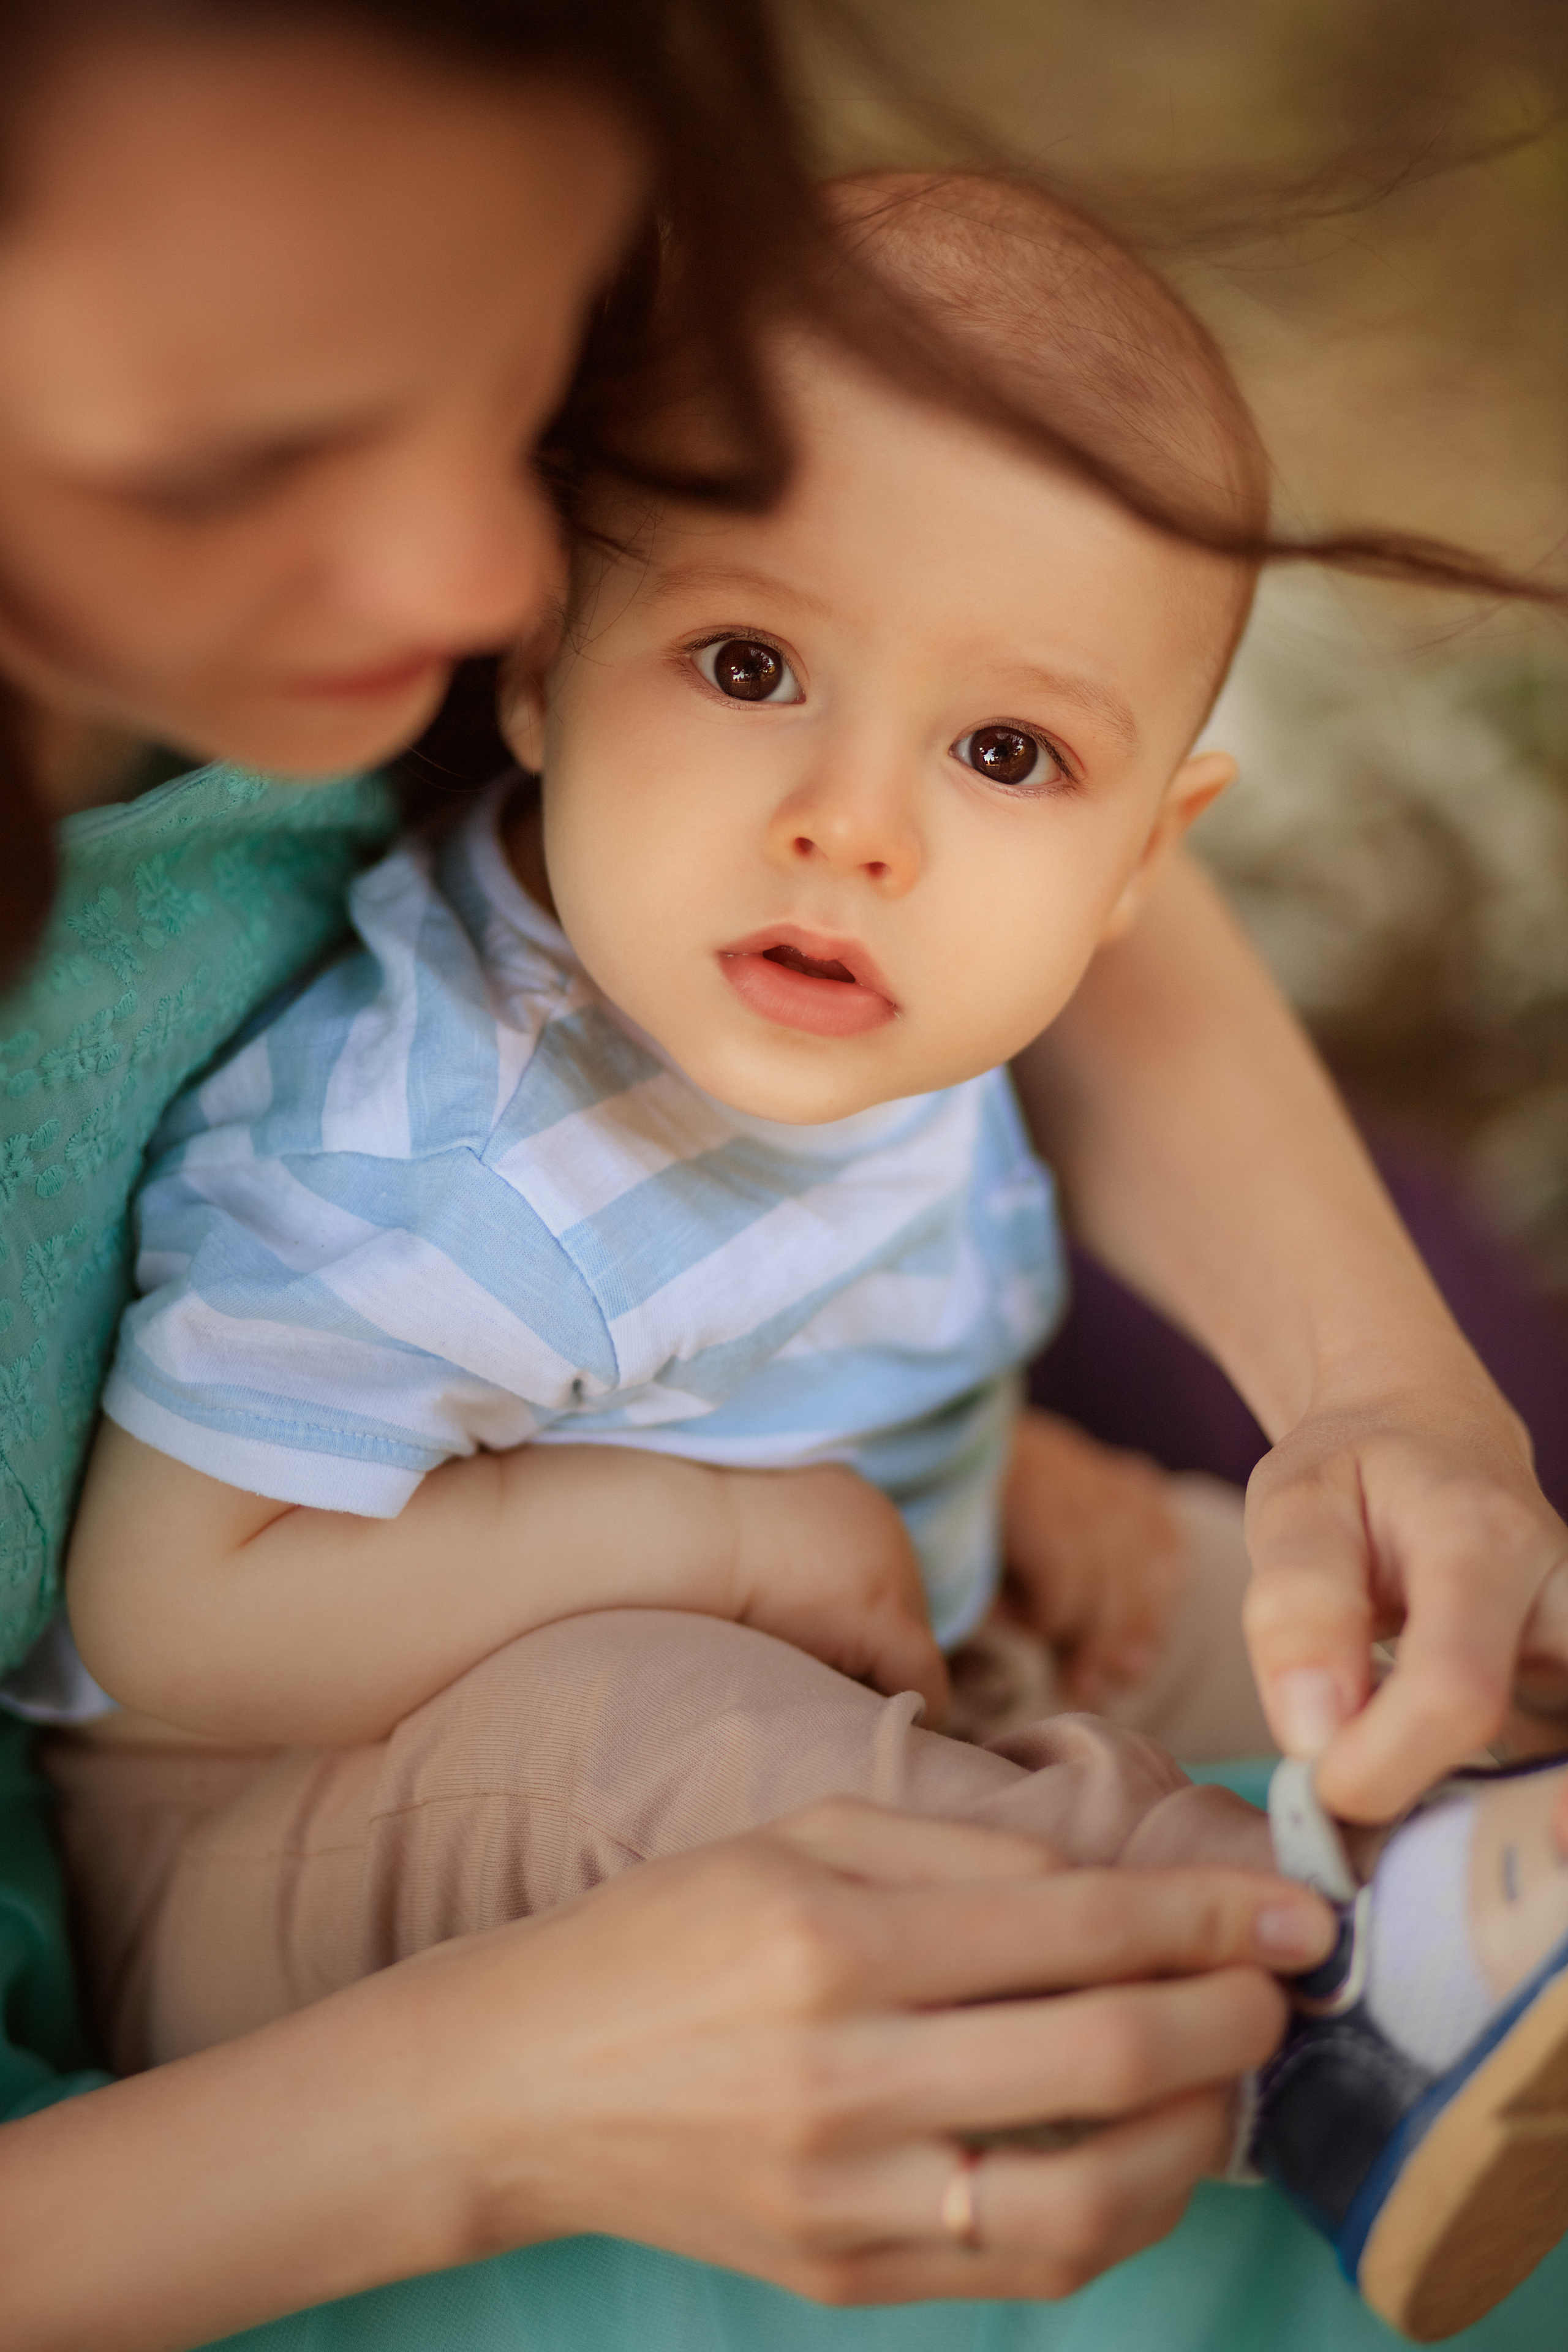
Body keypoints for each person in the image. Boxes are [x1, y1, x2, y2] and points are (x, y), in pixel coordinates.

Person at [0, 9, 1555, 2352]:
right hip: (286, 1815)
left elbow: (981, 736)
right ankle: (1317, 1985)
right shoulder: (425, 1162)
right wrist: (722, 1543)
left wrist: (1371, 1392)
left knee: (1285, 1565)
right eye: (235, 460)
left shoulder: (744, 821)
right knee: (659, 1725)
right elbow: (183, 1616)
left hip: (803, 1576)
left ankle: (1474, 1806)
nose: (480, 558)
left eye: (511, 375)